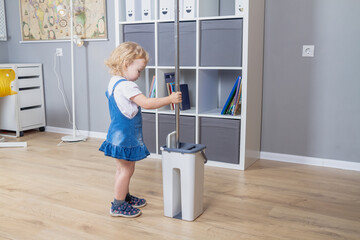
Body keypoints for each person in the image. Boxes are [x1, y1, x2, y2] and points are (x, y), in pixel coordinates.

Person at [100, 42, 182, 218]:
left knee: (123, 169)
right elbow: (147, 103)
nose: (139, 75)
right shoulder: (127, 86)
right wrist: (170, 99)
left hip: (116, 133)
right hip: (125, 135)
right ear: (126, 64)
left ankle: (124, 196)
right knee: (126, 170)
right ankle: (118, 205)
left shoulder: (114, 82)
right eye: (139, 70)